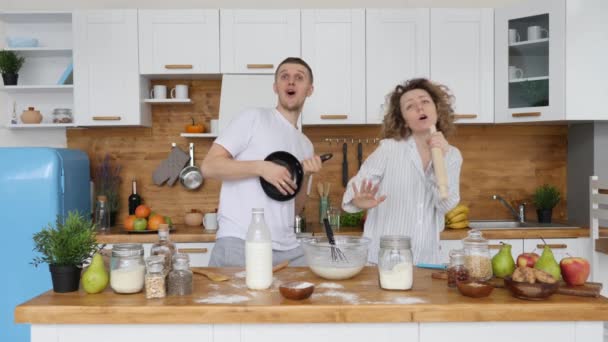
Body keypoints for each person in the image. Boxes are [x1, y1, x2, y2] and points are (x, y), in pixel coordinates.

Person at [201, 57, 323, 267]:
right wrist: (261, 167)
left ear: (310, 89)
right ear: (276, 87)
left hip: (288, 249)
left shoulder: (305, 145)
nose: (291, 82)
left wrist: (307, 175)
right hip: (241, 243)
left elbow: (292, 209)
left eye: (299, 78)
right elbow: (208, 166)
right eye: (284, 76)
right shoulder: (253, 118)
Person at [341, 78, 462, 264]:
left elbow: (445, 204)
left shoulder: (452, 155)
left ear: (437, 109)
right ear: (404, 121)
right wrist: (359, 200)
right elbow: (354, 189)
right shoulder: (389, 149)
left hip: (426, 262)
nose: (419, 108)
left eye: (425, 101)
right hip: (383, 261)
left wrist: (441, 159)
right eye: (410, 106)